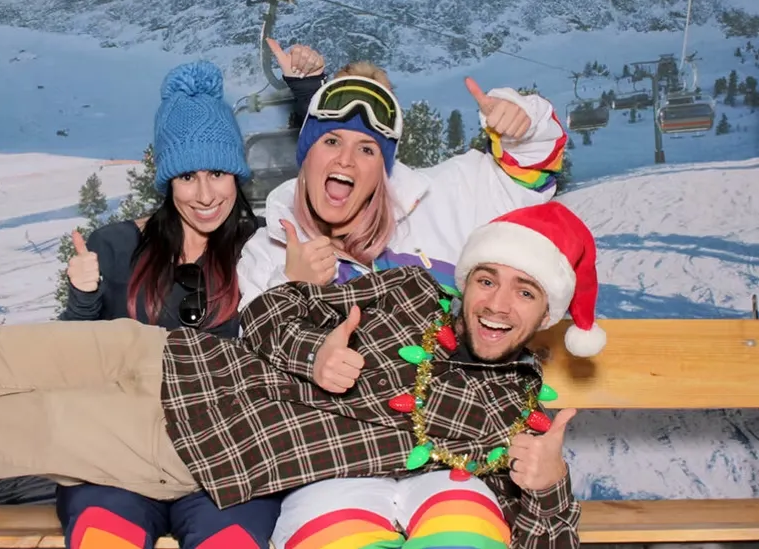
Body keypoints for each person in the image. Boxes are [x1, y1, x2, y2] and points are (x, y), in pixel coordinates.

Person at [0, 202, 601, 549]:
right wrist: (313, 350)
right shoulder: (407, 287)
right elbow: (273, 312)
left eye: (524, 291)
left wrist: (550, 483)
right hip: (164, 354)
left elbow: (536, 538)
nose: (496, 302)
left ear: (546, 314)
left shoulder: (514, 410)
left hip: (188, 443)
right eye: (489, 277)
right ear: (470, 275)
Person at [243, 44, 578, 547]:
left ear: (387, 167)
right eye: (330, 140)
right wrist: (292, 290)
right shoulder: (267, 250)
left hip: (450, 465)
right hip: (333, 473)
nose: (347, 160)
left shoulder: (443, 199)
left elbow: (528, 175)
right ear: (307, 154)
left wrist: (522, 121)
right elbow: (250, 380)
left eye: (368, 150)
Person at [56, 60, 280, 549]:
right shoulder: (117, 247)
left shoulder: (261, 250)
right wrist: (84, 297)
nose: (205, 195)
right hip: (119, 462)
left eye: (218, 173)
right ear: (167, 183)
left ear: (237, 176)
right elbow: (73, 361)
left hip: (228, 466)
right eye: (187, 176)